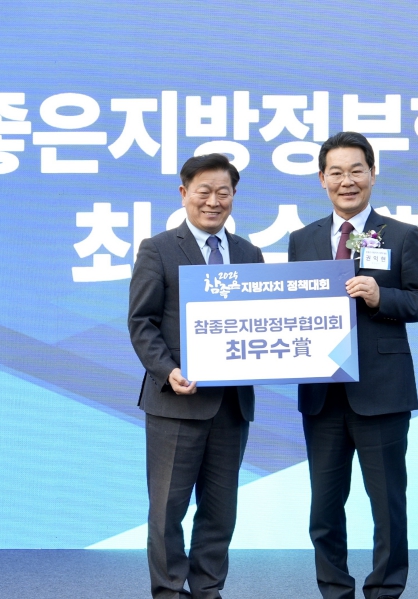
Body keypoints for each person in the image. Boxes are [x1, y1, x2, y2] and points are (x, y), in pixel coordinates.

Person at [288, 132, 418, 599]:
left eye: (356, 170)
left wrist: (381, 296)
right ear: (322, 179)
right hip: (322, 394)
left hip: (382, 392)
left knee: (387, 506)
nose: (347, 181)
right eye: (336, 172)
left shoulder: (401, 235)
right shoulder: (302, 239)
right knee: (324, 509)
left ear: (373, 174)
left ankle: (385, 591)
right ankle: (334, 590)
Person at [128, 153, 263, 599]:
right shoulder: (159, 248)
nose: (213, 201)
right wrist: (168, 371)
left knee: (220, 510)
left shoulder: (249, 254)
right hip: (176, 401)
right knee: (168, 508)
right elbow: (142, 322)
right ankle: (169, 591)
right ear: (184, 194)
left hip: (232, 405)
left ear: (234, 196)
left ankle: (208, 589)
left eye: (223, 192)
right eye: (203, 192)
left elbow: (263, 320)